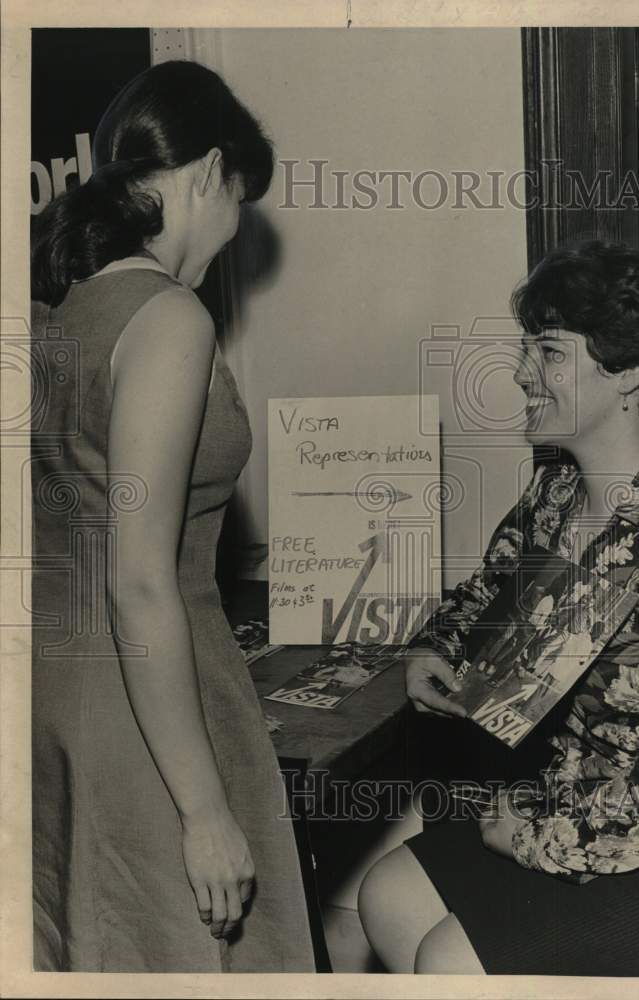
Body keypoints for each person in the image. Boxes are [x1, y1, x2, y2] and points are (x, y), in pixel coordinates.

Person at [358, 241, 639, 976]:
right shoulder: (556, 495)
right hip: (566, 800)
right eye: (527, 347)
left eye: (549, 351)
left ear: (628, 370)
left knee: (449, 960)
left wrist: (531, 836)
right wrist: (437, 644)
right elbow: (485, 592)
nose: (523, 371)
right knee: (385, 897)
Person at [30, 60, 315, 972]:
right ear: (207, 175)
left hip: (62, 697)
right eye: (238, 204)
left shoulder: (56, 314)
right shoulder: (168, 319)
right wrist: (203, 811)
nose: (231, 236)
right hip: (151, 708)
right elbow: (142, 576)